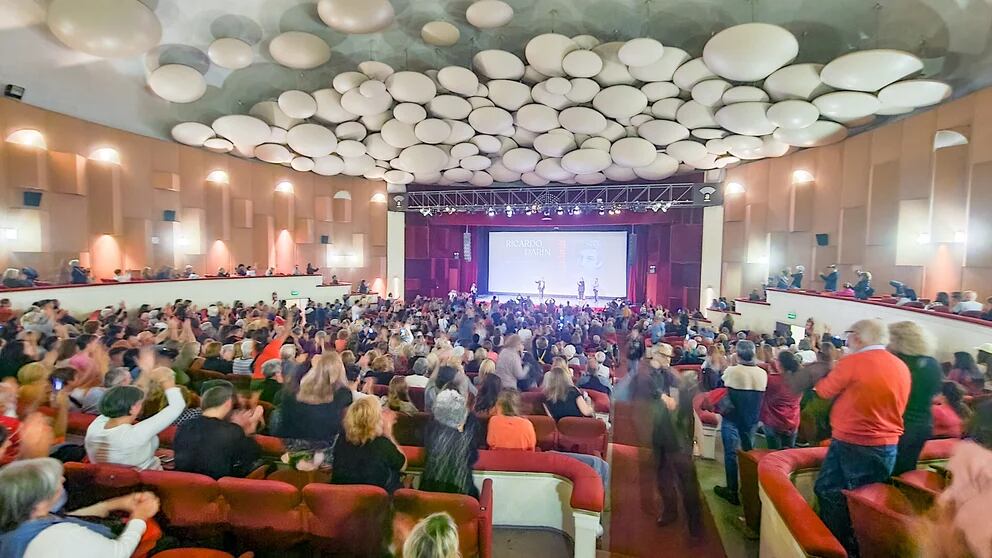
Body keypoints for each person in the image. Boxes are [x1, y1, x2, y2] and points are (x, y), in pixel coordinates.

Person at [812, 319, 911, 555]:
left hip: (852, 442)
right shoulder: (900, 365)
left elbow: (824, 391)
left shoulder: (854, 362)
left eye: (848, 336)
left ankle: (838, 546)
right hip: (887, 445)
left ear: (857, 337)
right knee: (868, 505)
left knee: (829, 491)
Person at [0, 458, 162, 558]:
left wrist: (116, 504)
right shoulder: (60, 536)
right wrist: (139, 517)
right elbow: (119, 553)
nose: (63, 479)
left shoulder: (23, 518)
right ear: (39, 502)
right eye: (56, 481)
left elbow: (66, 517)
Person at [631, 355, 702, 536]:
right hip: (661, 437)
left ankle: (694, 524)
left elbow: (692, 420)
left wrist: (694, 442)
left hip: (680, 442)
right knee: (664, 477)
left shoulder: (685, 393)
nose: (668, 360)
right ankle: (671, 512)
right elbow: (648, 384)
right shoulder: (656, 378)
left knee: (686, 483)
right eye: (664, 356)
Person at [84, 366, 186, 470]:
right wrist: (167, 381)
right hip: (148, 480)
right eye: (141, 403)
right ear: (133, 408)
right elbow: (176, 406)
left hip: (104, 479)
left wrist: (145, 375)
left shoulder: (95, 426)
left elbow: (116, 400)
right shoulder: (136, 434)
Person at [713, 340, 767, 505]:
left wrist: (730, 364)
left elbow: (718, 385)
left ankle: (732, 491)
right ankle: (750, 490)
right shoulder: (762, 373)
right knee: (748, 453)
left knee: (730, 455)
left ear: (738, 353)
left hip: (732, 418)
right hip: (751, 420)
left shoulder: (732, 371)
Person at [173, 384, 262, 479]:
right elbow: (254, 455)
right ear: (228, 403)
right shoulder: (232, 430)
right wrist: (249, 430)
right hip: (217, 486)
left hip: (183, 481)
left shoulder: (185, 425)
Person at [889, 321, 943, 476]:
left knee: (886, 475)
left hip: (899, 425)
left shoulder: (898, 364)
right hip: (923, 424)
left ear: (897, 340)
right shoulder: (932, 363)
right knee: (905, 472)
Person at [274, 352, 353, 444]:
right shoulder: (343, 394)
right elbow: (346, 425)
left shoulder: (291, 391)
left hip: (288, 445)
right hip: (323, 448)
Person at [332, 397, 406, 493]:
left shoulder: (341, 439)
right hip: (374, 502)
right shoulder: (382, 444)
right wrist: (389, 434)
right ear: (376, 419)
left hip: (342, 498)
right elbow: (403, 466)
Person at [421, 390, 480, 498]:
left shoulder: (432, 429)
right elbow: (473, 457)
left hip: (430, 491)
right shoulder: (465, 434)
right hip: (461, 491)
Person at [761, 351, 802, 449]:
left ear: (780, 363)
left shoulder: (771, 380)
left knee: (773, 455)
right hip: (792, 420)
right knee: (789, 456)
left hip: (773, 421)